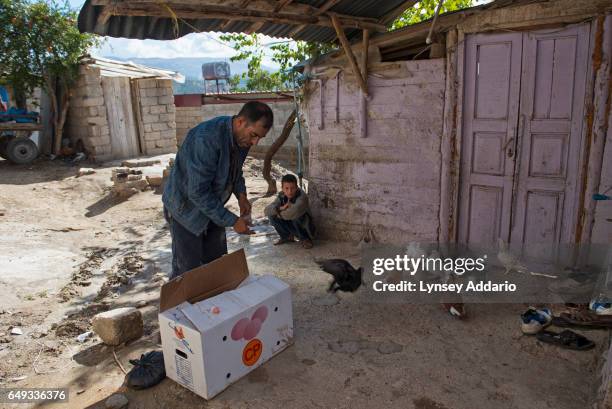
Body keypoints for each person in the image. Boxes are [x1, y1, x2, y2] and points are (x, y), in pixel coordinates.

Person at [162, 101, 274, 279]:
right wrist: (232, 220)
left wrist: (242, 195)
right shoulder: (206, 139)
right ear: (240, 122)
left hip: (212, 205)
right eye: (254, 135)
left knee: (216, 264)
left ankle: (211, 304)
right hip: (185, 210)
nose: (255, 142)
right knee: (187, 273)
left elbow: (235, 171)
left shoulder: (242, 140)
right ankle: (180, 306)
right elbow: (197, 192)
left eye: (259, 138)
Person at [264, 174, 316, 249]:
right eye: (286, 188)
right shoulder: (282, 195)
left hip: (306, 229)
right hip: (291, 224)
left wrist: (278, 212)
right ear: (282, 188)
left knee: (295, 216)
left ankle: (306, 239)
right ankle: (287, 237)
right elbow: (266, 210)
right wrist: (280, 208)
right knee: (271, 215)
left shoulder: (302, 197)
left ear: (297, 188)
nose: (289, 191)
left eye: (292, 188)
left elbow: (293, 212)